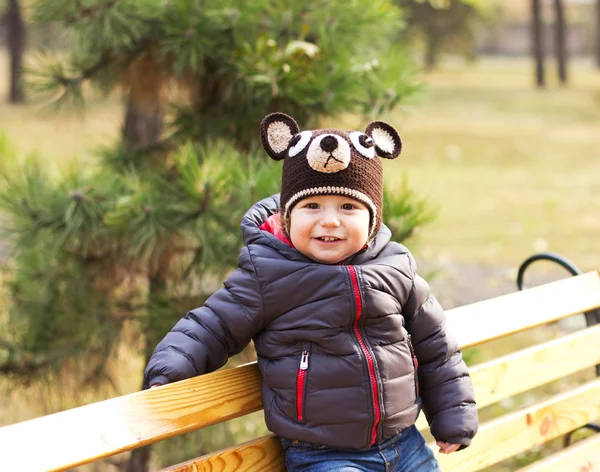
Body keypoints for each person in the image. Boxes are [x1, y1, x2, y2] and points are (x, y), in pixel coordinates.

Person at [144, 112, 478, 471]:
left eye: (348, 207)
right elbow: (213, 324)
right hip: (324, 453)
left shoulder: (395, 267)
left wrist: (452, 419)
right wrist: (171, 367)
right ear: (288, 217)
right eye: (312, 206)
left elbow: (436, 346)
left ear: (373, 220)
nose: (330, 220)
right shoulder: (268, 274)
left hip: (405, 442)